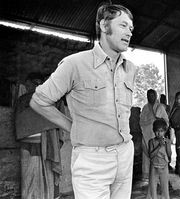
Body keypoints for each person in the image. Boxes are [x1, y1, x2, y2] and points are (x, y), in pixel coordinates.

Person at [30, 4, 137, 199]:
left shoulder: (130, 69)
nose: (129, 32)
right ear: (104, 26)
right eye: (123, 25)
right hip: (92, 159)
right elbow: (39, 101)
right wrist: (72, 126)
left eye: (131, 28)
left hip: (125, 154)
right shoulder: (74, 64)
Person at [15, 72, 63, 199]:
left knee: (38, 175)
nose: (29, 87)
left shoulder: (50, 100)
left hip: (45, 142)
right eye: (28, 85)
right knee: (31, 175)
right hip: (34, 144)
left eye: (30, 84)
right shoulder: (23, 100)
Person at [140, 89, 169, 184]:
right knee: (147, 152)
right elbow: (141, 122)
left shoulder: (160, 107)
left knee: (159, 153)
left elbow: (166, 121)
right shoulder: (145, 108)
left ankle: (160, 177)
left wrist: (158, 120)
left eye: (152, 95)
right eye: (148, 95)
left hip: (158, 134)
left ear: (156, 96)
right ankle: (147, 176)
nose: (150, 97)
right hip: (147, 134)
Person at [147, 118, 172, 199]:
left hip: (164, 166)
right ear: (154, 131)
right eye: (157, 131)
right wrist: (159, 146)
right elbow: (151, 155)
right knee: (152, 185)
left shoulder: (167, 141)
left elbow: (169, 154)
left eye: (161, 131)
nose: (159, 133)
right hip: (154, 166)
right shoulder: (151, 141)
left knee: (164, 186)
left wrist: (166, 145)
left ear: (164, 131)